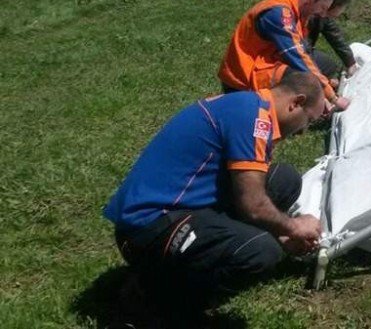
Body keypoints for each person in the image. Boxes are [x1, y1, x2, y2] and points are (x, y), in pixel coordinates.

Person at [104, 70, 327, 309]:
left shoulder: (251, 106)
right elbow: (252, 205)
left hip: (180, 205)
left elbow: (249, 189)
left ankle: (213, 247)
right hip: (147, 228)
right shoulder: (254, 119)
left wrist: (279, 231)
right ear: (296, 103)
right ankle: (157, 293)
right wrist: (292, 227)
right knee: (261, 251)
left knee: (284, 179)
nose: (303, 131)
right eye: (309, 121)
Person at [218, 0, 349, 110]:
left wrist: (324, 82)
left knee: (325, 65)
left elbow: (303, 50)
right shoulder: (279, 13)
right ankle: (292, 114)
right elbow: (298, 57)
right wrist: (331, 96)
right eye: (322, 7)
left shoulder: (295, 6)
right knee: (304, 78)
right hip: (243, 79)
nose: (322, 14)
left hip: (267, 61)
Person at [305, 0, 359, 79]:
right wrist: (327, 87)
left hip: (304, 50)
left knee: (329, 66)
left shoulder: (321, 15)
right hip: (288, 54)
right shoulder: (307, 15)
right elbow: (301, 50)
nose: (328, 18)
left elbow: (334, 35)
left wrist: (350, 62)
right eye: (331, 15)